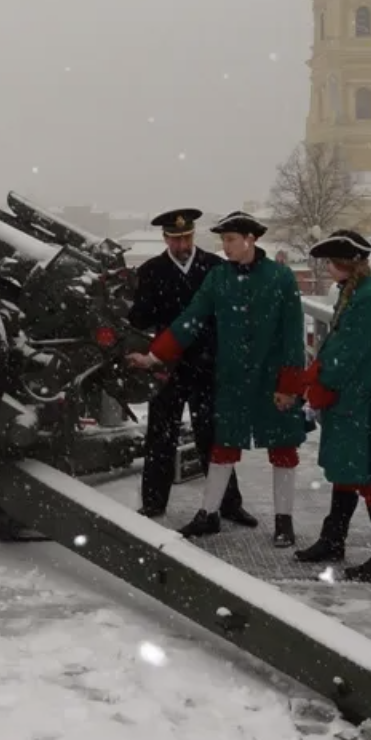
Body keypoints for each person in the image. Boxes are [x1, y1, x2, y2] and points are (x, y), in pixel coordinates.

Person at [128, 210, 311, 548]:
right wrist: (155, 355)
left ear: (250, 239)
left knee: (282, 450)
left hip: (268, 380)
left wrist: (289, 386)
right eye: (223, 240)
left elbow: (292, 337)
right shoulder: (218, 278)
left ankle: (283, 522)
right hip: (229, 377)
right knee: (222, 447)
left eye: (229, 240)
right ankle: (208, 513)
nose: (224, 247)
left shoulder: (280, 277)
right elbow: (190, 320)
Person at [291, 229, 371, 583]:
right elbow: (340, 345)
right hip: (354, 397)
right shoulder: (355, 292)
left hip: (363, 401)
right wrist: (318, 373)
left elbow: (348, 352)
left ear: (347, 263)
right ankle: (334, 539)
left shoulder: (366, 297)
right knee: (347, 471)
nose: (328, 268)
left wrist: (320, 381)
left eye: (331, 262)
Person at [127, 208, 254, 527]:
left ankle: (228, 504)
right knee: (160, 436)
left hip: (207, 364)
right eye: (175, 238)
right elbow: (139, 321)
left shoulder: (215, 267)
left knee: (212, 436)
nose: (181, 243)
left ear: (193, 235)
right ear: (165, 238)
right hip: (166, 367)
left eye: (186, 237)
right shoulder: (151, 271)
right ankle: (154, 503)